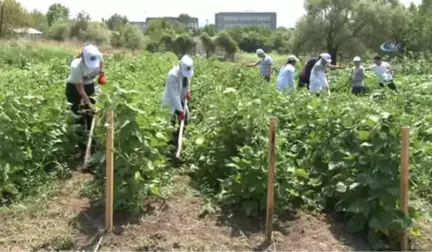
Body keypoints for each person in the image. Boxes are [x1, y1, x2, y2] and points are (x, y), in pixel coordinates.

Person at [65, 44, 106, 157]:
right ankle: (80, 147)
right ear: (83, 57)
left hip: (89, 86)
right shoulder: (76, 66)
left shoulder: (98, 55)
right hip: (74, 88)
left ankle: (91, 143)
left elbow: (101, 63)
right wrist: (89, 104)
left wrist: (101, 73)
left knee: (91, 116)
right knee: (78, 115)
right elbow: (80, 89)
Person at [162, 55, 193, 147]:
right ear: (180, 66)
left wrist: (188, 91)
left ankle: (178, 139)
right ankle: (168, 143)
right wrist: (180, 110)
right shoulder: (172, 75)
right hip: (171, 101)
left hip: (182, 99)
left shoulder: (187, 72)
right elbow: (174, 95)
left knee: (185, 119)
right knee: (169, 122)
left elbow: (187, 82)